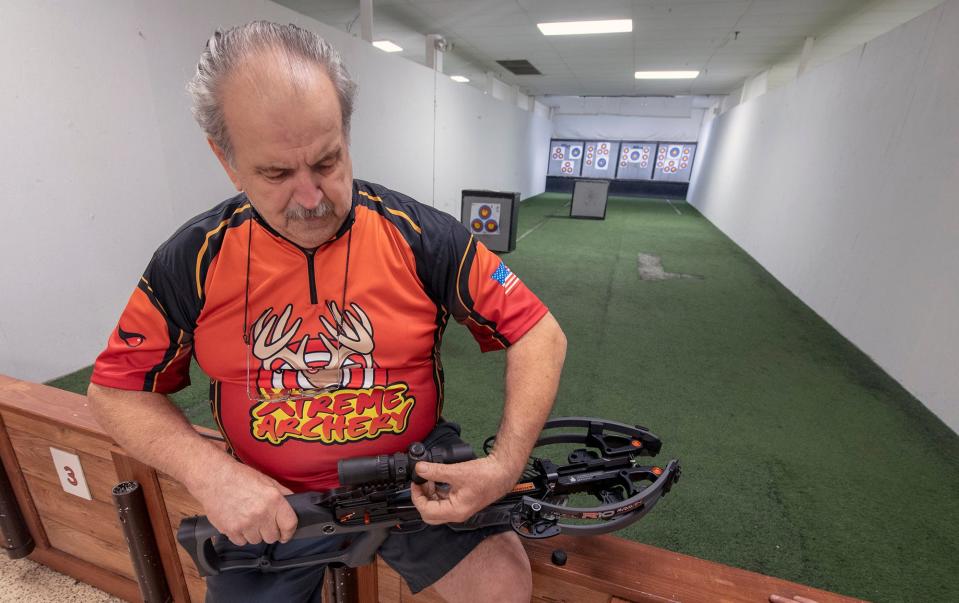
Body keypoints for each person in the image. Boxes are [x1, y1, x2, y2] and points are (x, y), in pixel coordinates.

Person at [87, 21, 566, 602]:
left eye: (328, 160)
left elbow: (538, 330)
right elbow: (115, 391)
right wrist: (212, 475)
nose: (312, 197)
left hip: (415, 475)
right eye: (277, 173)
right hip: (267, 494)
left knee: (502, 586)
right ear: (227, 160)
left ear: (346, 133)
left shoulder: (418, 235)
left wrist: (502, 466)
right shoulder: (192, 257)